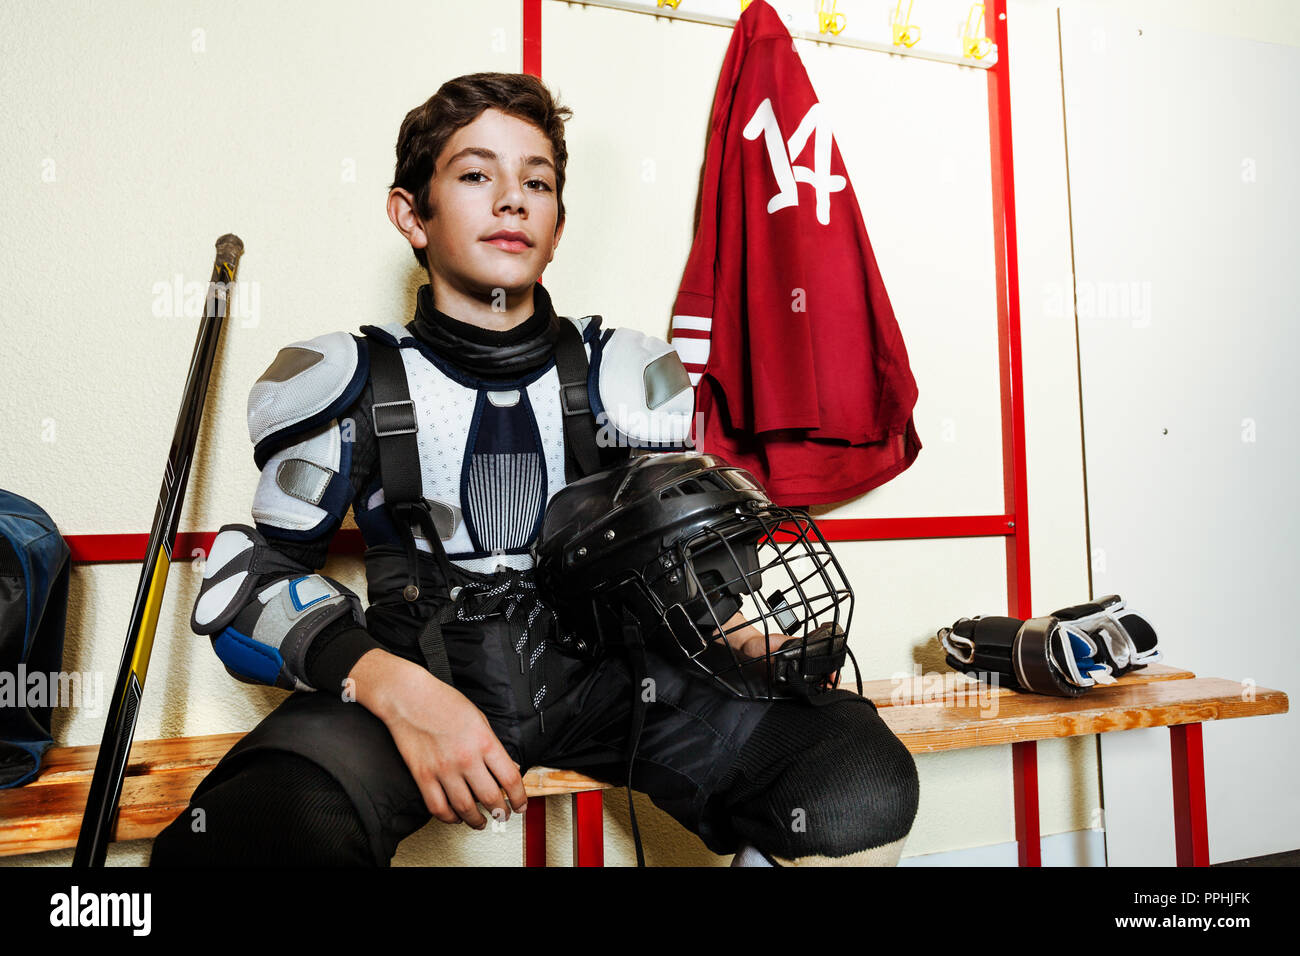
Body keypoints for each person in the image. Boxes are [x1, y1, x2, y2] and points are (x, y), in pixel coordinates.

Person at [150, 72, 919, 867]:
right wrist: (399, 692)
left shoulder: (625, 372)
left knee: (855, 781)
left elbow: (669, 554)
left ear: (555, 227)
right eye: (476, 174)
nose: (512, 199)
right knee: (247, 842)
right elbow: (251, 582)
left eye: (537, 181)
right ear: (411, 214)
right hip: (410, 683)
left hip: (608, 685)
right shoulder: (345, 377)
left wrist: (738, 636)